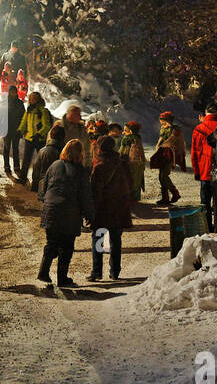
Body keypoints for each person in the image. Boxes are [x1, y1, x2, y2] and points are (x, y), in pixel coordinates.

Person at [37, 139, 94, 286]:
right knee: (66, 246)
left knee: (51, 243)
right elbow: (85, 196)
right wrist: (90, 215)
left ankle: (43, 271)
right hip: (69, 213)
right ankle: (62, 278)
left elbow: (45, 186)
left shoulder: (54, 165)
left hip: (51, 209)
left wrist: (46, 201)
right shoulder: (80, 171)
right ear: (80, 154)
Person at [89, 136, 133, 281]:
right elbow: (130, 185)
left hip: (103, 210)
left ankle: (97, 272)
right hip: (119, 209)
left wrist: (92, 211)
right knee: (115, 240)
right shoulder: (121, 163)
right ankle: (115, 272)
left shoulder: (100, 165)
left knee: (99, 239)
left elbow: (96, 191)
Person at [191, 107, 217, 231]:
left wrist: (197, 171)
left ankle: (207, 225)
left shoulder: (199, 129)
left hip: (204, 171)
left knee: (205, 201)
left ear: (205, 114)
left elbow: (194, 153)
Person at [18, 91, 54, 185]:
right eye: (30, 98)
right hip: (29, 139)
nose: (32, 100)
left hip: (39, 140)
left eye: (34, 98)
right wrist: (20, 130)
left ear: (38, 99)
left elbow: (47, 125)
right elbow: (24, 121)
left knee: (39, 163)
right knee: (26, 160)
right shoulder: (29, 110)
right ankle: (22, 178)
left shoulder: (43, 111)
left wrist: (39, 134)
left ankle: (37, 182)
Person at [153, 111, 179, 206]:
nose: (161, 123)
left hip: (168, 155)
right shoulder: (164, 129)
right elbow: (160, 140)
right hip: (161, 154)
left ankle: (174, 192)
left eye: (163, 121)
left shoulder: (172, 130)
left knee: (164, 175)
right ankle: (165, 197)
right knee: (161, 176)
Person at [30, 124, 66, 193]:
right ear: (63, 137)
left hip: (43, 188)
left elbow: (36, 170)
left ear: (51, 136)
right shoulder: (65, 153)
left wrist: (34, 186)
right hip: (59, 190)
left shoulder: (42, 151)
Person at [1, 84, 25, 178]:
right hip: (6, 129)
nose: (13, 93)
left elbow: (24, 116)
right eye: (11, 91)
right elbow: (1, 115)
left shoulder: (20, 103)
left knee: (15, 148)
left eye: (14, 92)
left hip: (16, 129)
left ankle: (16, 166)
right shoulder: (5, 102)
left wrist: (22, 128)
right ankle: (6, 166)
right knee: (6, 148)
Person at [119, 120, 147, 203]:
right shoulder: (131, 138)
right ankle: (132, 196)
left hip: (133, 162)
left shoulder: (132, 139)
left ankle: (133, 196)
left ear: (131, 131)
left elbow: (131, 151)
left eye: (126, 130)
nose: (124, 133)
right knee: (131, 178)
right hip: (130, 161)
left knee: (134, 179)